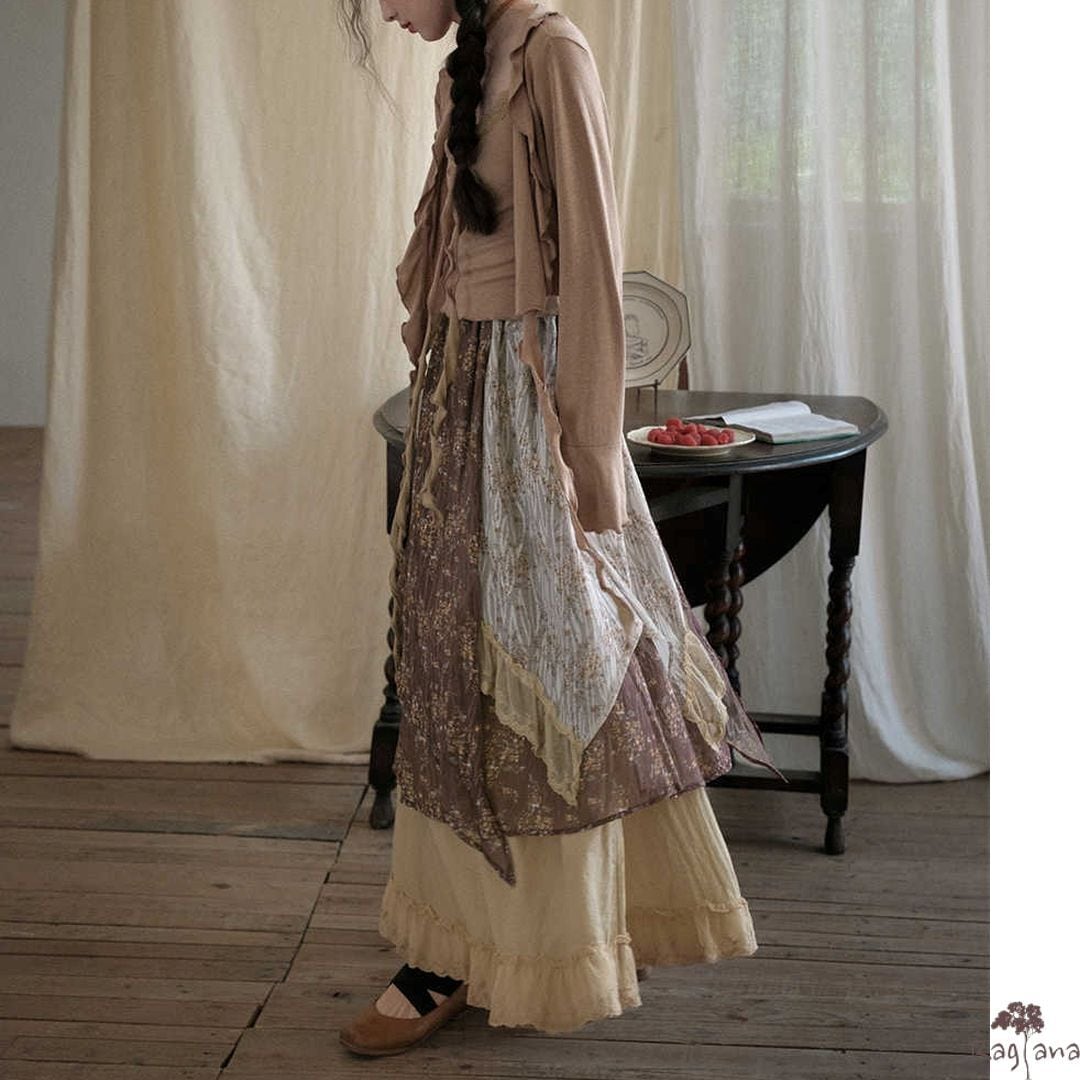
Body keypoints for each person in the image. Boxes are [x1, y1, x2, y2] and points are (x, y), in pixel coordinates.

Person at [336, 0, 787, 1057]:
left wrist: (585, 458)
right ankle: (456, 943)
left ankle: (557, 935)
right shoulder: (472, 60)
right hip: (462, 392)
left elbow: (591, 269)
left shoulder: (554, 55)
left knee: (555, 668)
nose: (386, 11)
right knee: (452, 669)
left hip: (527, 409)